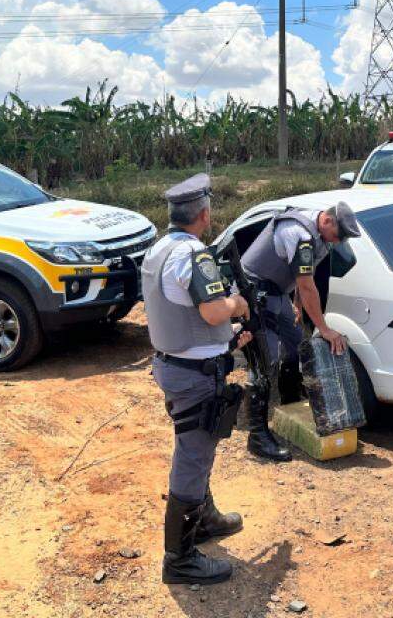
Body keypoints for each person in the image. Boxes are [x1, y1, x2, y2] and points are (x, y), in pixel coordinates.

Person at [141, 173, 254, 586]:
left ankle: (204, 520)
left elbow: (187, 314)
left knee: (197, 446)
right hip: (194, 376)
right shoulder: (194, 255)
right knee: (193, 457)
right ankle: (180, 559)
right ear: (203, 215)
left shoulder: (158, 249)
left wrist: (228, 338)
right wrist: (237, 303)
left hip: (176, 365)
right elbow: (210, 312)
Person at [240, 201, 361, 462]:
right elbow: (307, 285)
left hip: (277, 291)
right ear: (327, 221)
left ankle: (289, 406)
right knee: (264, 357)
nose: (338, 242)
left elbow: (302, 274)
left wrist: (296, 305)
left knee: (296, 343)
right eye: (338, 236)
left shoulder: (319, 233)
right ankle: (257, 436)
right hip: (255, 291)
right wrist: (324, 329)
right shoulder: (299, 234)